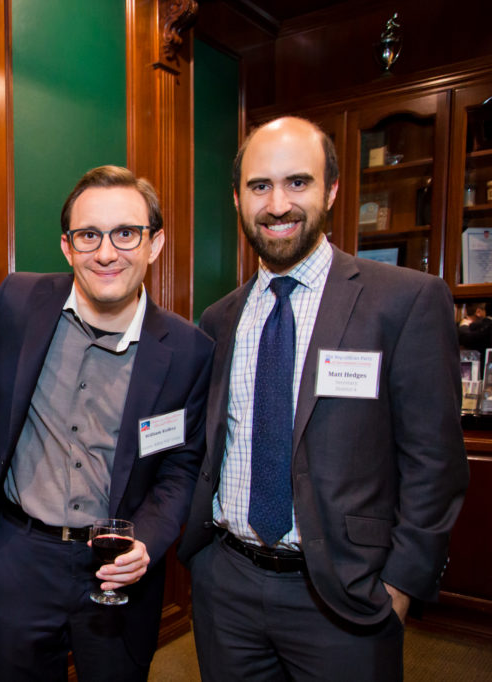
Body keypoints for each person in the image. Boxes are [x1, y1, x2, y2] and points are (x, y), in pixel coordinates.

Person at [178, 116, 469, 681]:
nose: (277, 204)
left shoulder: (404, 301)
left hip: (346, 594)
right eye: (259, 186)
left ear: (332, 190)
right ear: (237, 199)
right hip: (227, 587)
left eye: (298, 182)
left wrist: (401, 584)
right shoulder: (219, 319)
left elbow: (435, 461)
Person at [0, 166, 213, 681]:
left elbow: (181, 468)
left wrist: (145, 542)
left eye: (126, 233)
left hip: (119, 570)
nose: (106, 253)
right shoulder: (20, 302)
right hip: (22, 558)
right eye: (89, 235)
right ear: (67, 246)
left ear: (155, 244)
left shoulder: (189, 351)